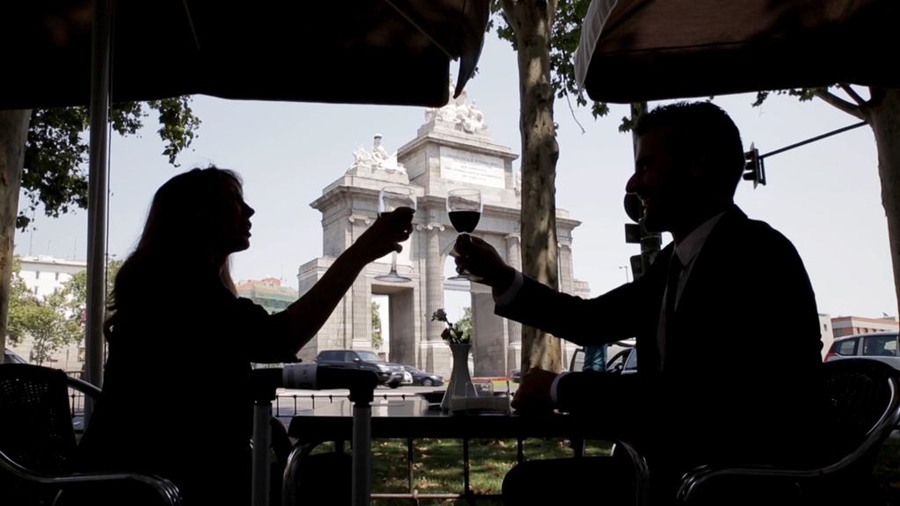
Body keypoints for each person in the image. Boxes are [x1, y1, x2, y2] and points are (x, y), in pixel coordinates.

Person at [453, 102, 825, 505]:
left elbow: (687, 398)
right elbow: (592, 320)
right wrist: (501, 277)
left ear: (697, 166)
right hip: (680, 469)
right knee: (528, 482)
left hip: (733, 485)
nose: (633, 184)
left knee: (532, 487)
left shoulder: (758, 257)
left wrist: (559, 388)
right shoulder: (674, 262)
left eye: (646, 165)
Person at [73, 167, 414, 505]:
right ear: (199, 215)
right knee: (338, 473)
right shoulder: (186, 291)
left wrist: (258, 421)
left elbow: (192, 383)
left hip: (143, 475)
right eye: (235, 201)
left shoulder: (165, 285)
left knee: (332, 471)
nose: (249, 211)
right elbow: (280, 338)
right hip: (168, 486)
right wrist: (359, 253)